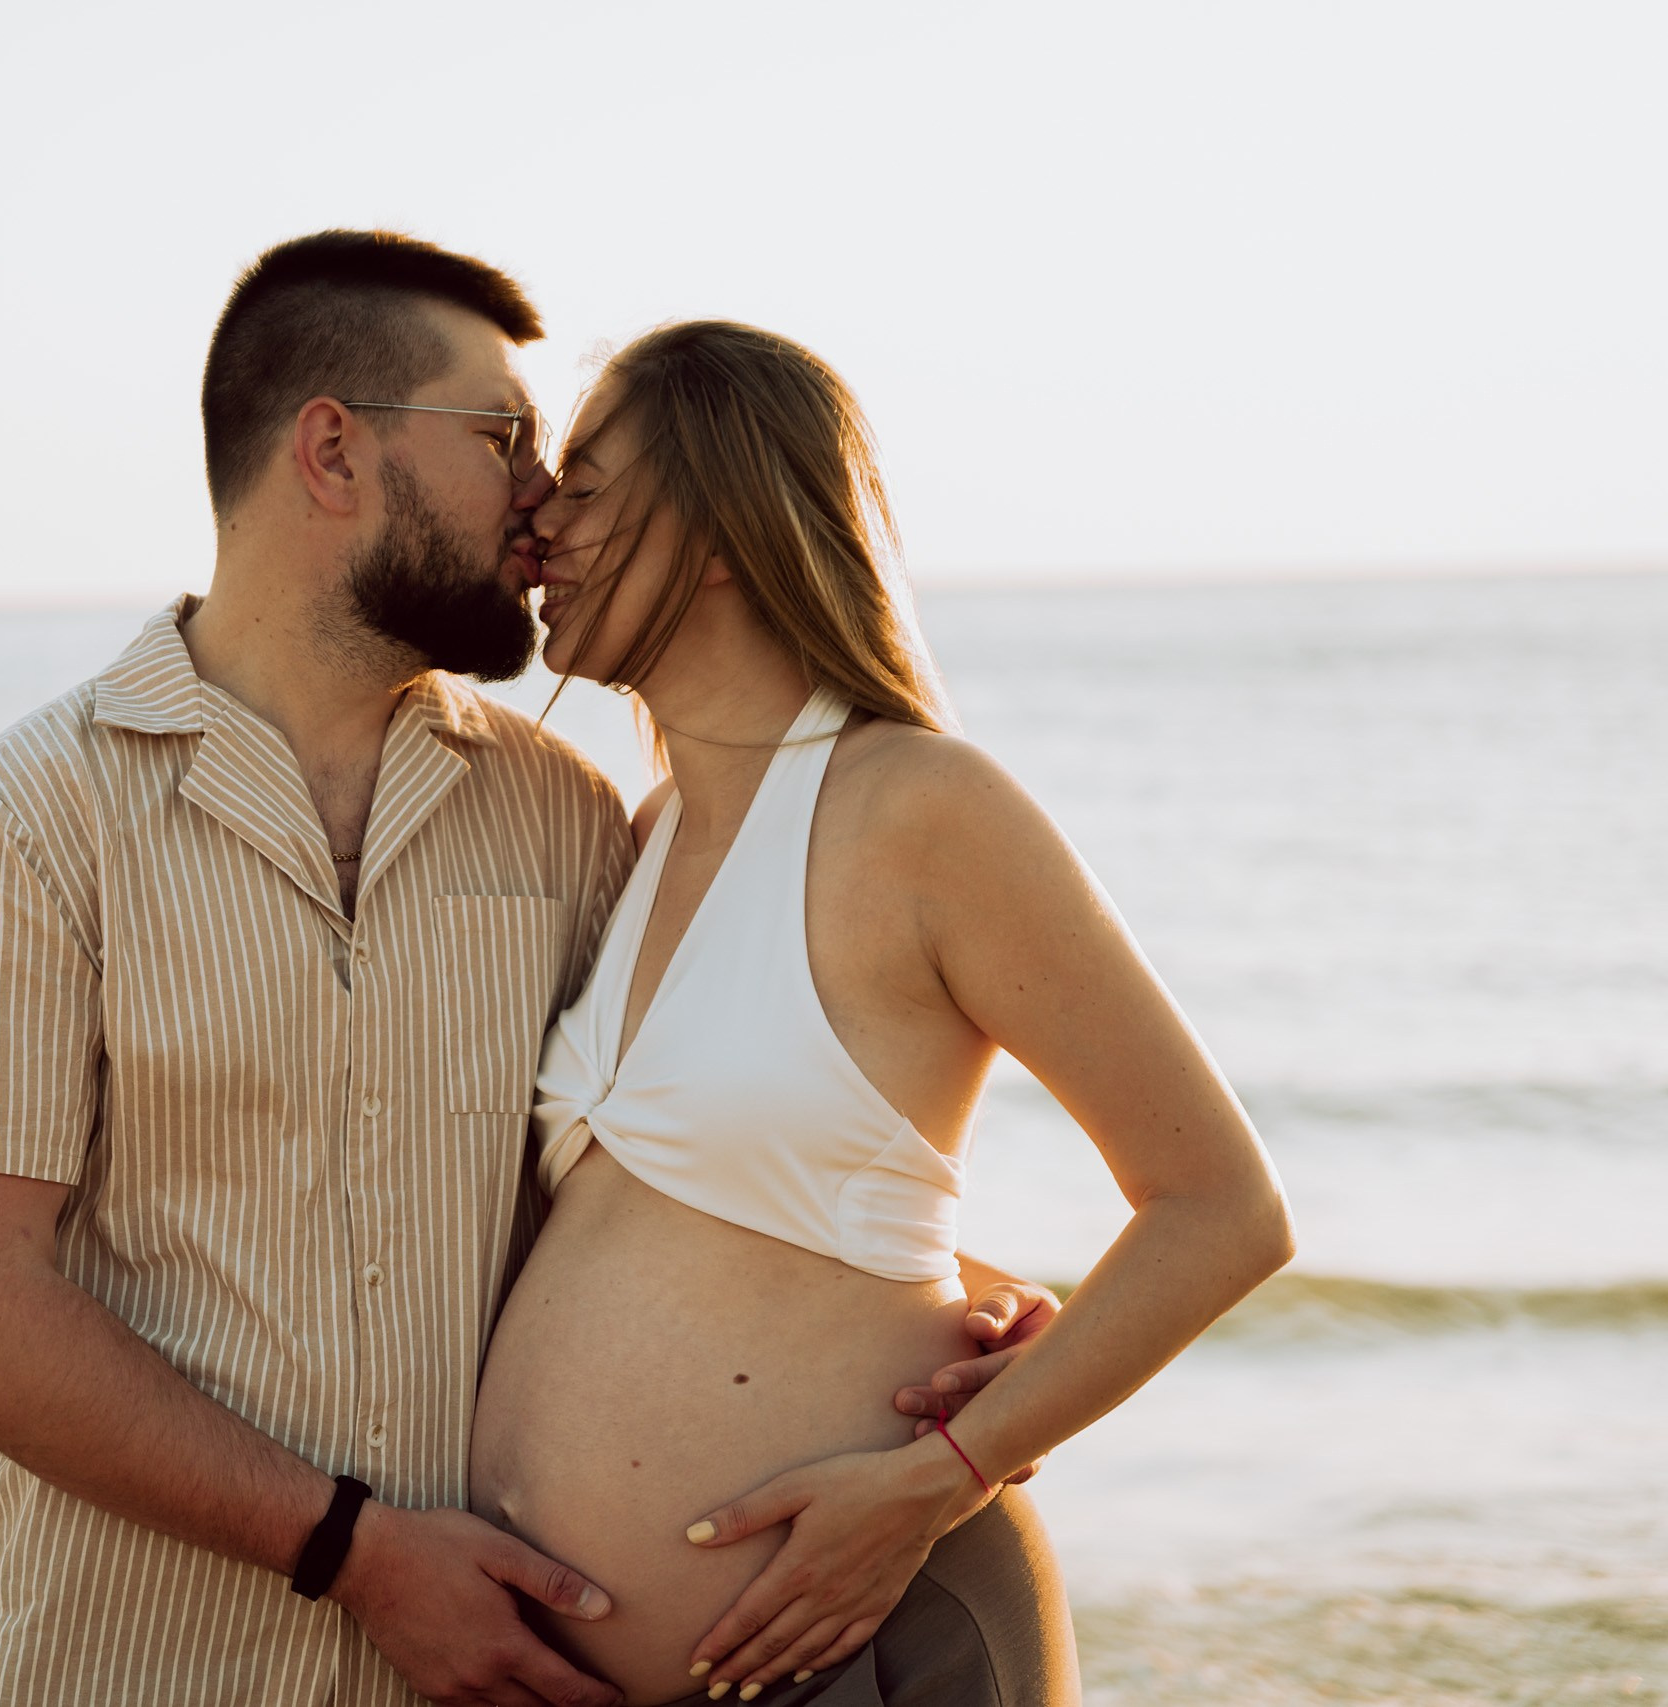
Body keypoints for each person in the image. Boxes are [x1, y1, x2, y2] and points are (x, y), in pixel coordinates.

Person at [0, 233, 1057, 1707]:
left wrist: (951, 1321)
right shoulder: (32, 822)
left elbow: (655, 1184)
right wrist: (353, 1552)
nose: (541, 495)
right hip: (129, 1667)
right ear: (335, 452)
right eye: (502, 438)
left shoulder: (562, 816)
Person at [471, 321, 1296, 1705]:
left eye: (593, 484)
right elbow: (781, 1204)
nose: (543, 518)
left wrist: (939, 1480)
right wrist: (968, 1290)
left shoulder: (923, 807)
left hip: (874, 1646)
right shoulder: (646, 832)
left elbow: (1222, 1208)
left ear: (725, 528)